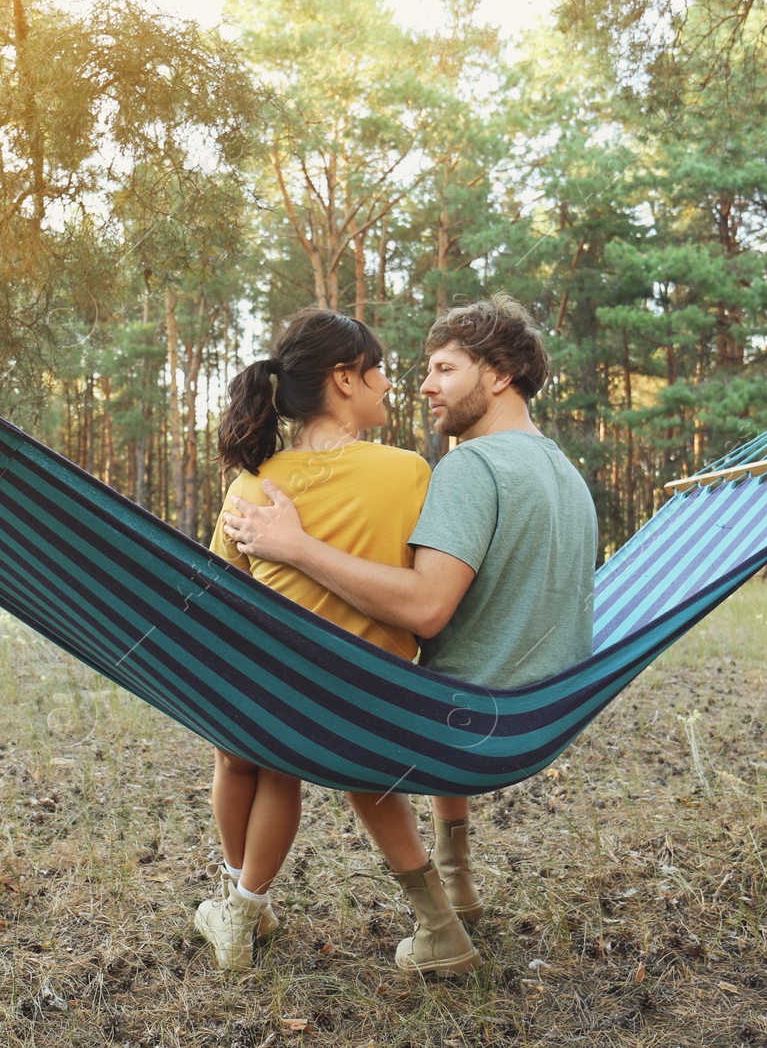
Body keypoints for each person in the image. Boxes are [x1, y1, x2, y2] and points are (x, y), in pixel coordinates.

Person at [223, 293, 598, 976]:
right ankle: (455, 873)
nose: (425, 384)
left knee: (358, 700)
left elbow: (427, 610)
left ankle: (435, 923)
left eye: (445, 368)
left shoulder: (468, 468)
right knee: (412, 669)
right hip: (543, 711)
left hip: (468, 717)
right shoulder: (565, 473)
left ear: (500, 374)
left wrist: (297, 546)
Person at [197, 308, 432, 971]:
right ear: (345, 378)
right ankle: (244, 908)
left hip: (274, 697)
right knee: (274, 752)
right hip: (367, 702)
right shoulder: (409, 473)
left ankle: (242, 904)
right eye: (379, 369)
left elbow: (220, 589)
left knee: (244, 754)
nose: (389, 382)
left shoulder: (251, 485)